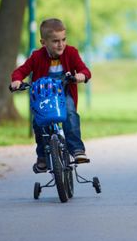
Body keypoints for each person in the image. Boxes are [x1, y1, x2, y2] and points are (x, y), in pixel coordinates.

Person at [10, 18, 91, 173]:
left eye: (63, 40)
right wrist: (17, 80)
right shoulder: (36, 56)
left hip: (63, 94)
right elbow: (21, 71)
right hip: (44, 97)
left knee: (70, 114)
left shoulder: (71, 53)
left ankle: (77, 150)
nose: (60, 44)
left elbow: (85, 70)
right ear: (43, 42)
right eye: (55, 41)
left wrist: (81, 75)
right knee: (39, 124)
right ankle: (42, 157)